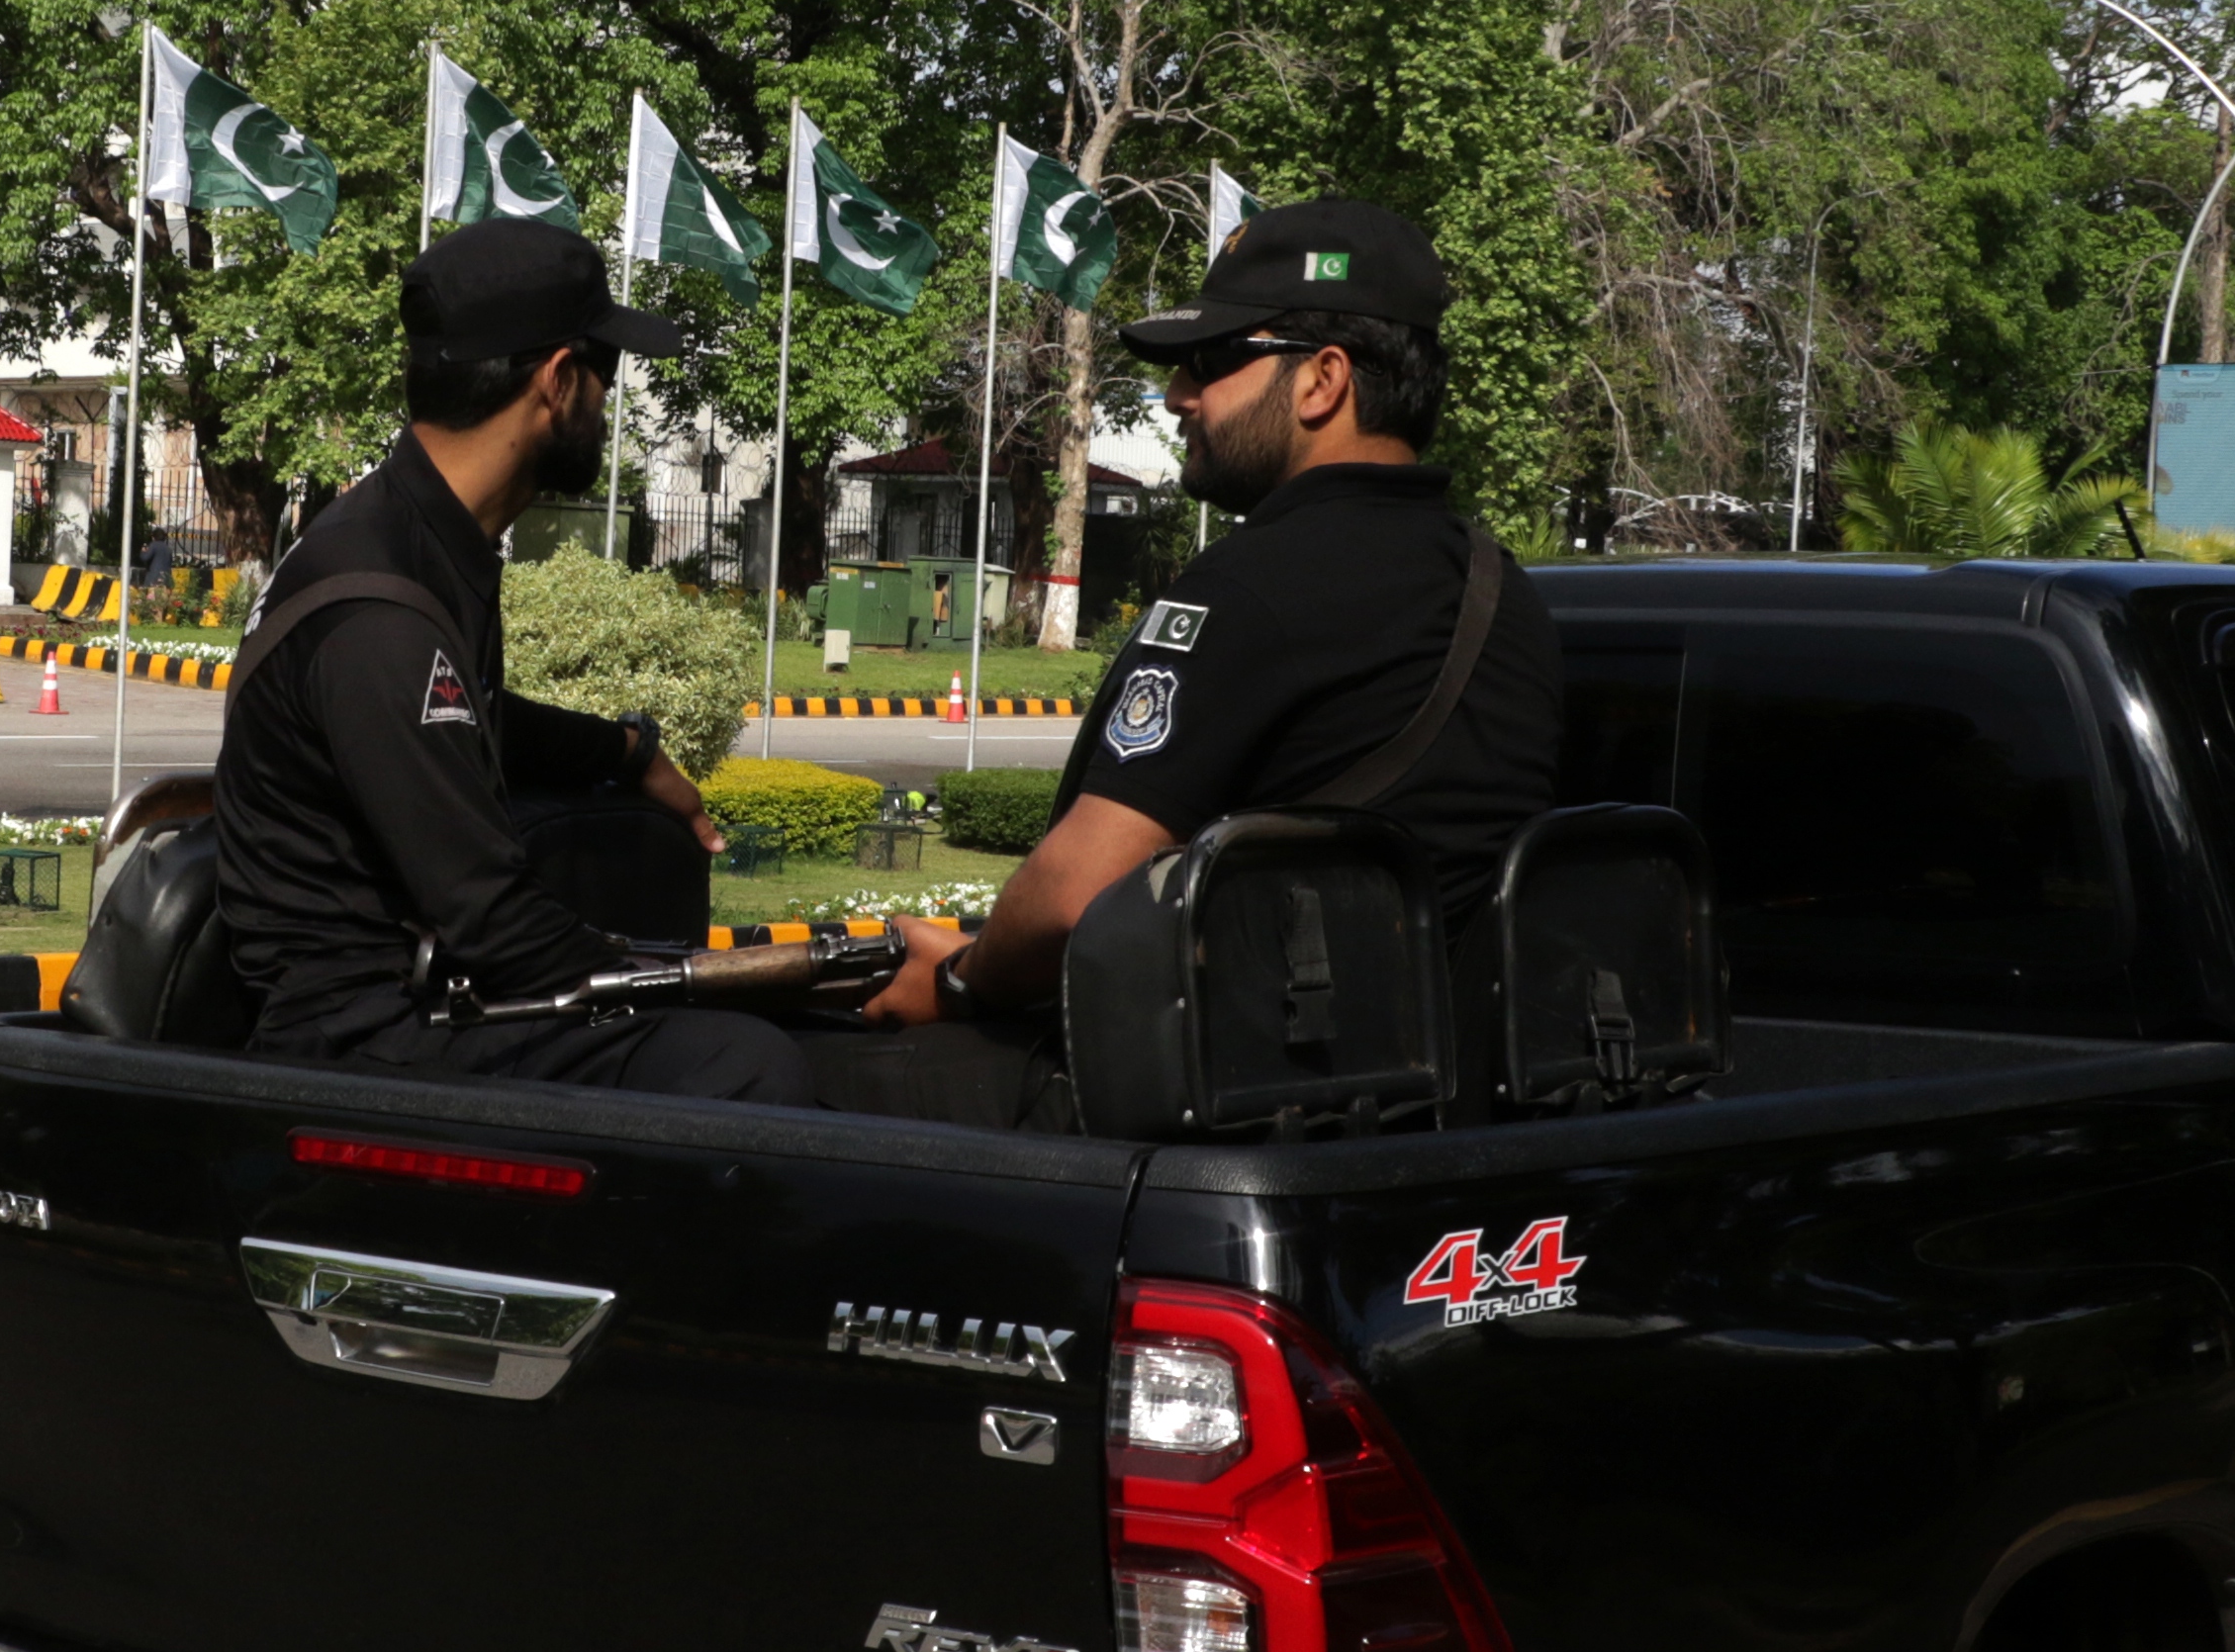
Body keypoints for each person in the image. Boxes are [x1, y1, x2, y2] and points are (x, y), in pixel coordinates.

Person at [862, 197, 1557, 1049]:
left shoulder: (1256, 584)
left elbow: (1075, 896)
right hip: (1422, 1094)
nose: (1174, 396)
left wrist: (962, 981)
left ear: (1323, 380)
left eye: (1211, 359)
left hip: (1215, 1100)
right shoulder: (1503, 590)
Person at [216, 221, 807, 1105]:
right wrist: (688, 978)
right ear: (558, 381)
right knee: (750, 1066)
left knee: (781, 1032)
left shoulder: (417, 539)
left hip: (419, 1005)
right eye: (604, 377)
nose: (609, 405)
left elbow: (469, 715)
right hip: (360, 1039)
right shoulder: (377, 608)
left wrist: (627, 754)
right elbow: (492, 922)